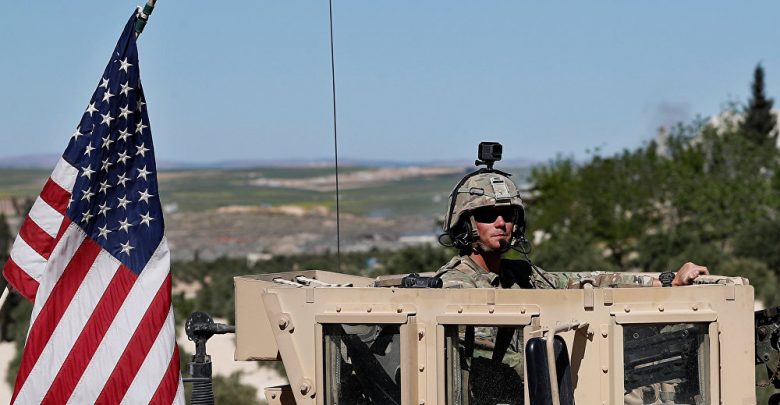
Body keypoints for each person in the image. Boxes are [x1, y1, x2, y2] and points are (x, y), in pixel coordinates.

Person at [434, 160, 709, 405]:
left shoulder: (519, 274)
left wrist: (666, 282)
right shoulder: (455, 285)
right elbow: (503, 360)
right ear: (466, 225)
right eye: (487, 215)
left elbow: (587, 281)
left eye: (508, 215)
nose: (500, 223)